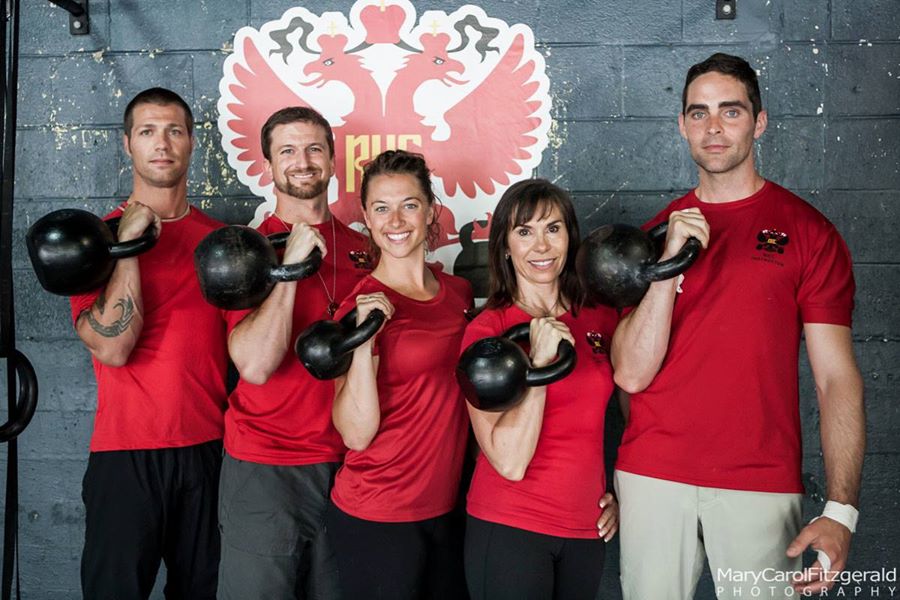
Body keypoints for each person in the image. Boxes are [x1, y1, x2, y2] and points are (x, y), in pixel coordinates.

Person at [611, 53, 865, 599]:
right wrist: (667, 265)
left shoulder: (808, 233)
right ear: (681, 125)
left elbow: (836, 379)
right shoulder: (654, 237)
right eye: (698, 114)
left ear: (759, 121)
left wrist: (842, 510)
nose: (714, 127)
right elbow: (629, 375)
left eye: (730, 111)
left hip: (760, 481)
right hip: (653, 475)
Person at [69, 88, 227, 599]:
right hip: (124, 456)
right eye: (147, 131)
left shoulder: (222, 242)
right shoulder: (95, 241)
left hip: (209, 454)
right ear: (127, 145)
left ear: (192, 143)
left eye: (175, 131)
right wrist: (132, 243)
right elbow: (113, 347)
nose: (162, 144)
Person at [217, 106, 372, 599]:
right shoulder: (247, 251)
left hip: (348, 469)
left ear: (332, 161)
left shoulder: (364, 251)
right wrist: (290, 270)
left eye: (313, 149)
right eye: (287, 151)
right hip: (266, 469)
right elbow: (256, 365)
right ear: (269, 165)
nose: (302, 161)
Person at [324, 149, 473, 600]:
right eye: (381, 208)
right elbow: (355, 433)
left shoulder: (458, 292)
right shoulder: (358, 307)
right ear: (366, 218)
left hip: (447, 510)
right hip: (378, 513)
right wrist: (366, 338)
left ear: (431, 210)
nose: (396, 220)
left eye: (409, 204)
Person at [460, 179, 620, 600]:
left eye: (553, 228)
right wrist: (542, 365)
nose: (541, 246)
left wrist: (619, 495)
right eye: (524, 232)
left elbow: (629, 414)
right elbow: (508, 462)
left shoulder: (599, 319)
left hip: (585, 529)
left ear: (570, 237)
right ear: (505, 247)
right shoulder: (488, 333)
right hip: (511, 525)